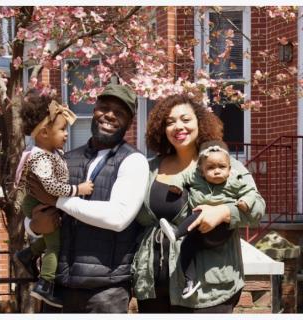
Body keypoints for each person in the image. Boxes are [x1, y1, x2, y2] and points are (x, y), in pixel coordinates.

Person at [132, 94, 265, 313]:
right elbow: (139, 221)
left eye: (185, 119)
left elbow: (257, 209)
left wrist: (224, 211)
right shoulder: (149, 168)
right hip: (154, 288)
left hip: (208, 290)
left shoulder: (220, 164)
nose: (178, 126)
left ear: (200, 122)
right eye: (169, 122)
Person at [23, 84, 149, 313]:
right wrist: (33, 227)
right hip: (58, 291)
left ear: (129, 123)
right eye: (104, 108)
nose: (109, 115)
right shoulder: (65, 158)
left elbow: (117, 218)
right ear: (94, 111)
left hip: (105, 292)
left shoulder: (133, 161)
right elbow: (35, 202)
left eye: (119, 113)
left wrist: (58, 201)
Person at [13, 90, 94, 308]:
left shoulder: (51, 154)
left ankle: (27, 254)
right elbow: (51, 186)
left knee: (51, 239)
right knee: (54, 245)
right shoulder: (40, 157)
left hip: (43, 201)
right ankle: (45, 284)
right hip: (38, 202)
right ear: (44, 133)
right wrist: (79, 189)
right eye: (62, 129)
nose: (66, 134)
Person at [159, 139, 257, 299]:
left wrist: (244, 202)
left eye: (221, 167)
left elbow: (251, 192)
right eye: (210, 168)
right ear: (202, 171)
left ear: (230, 169)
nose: (217, 171)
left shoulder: (235, 179)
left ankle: (176, 233)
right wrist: (176, 185)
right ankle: (190, 282)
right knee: (186, 248)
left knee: (200, 212)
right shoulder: (196, 177)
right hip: (200, 232)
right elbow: (182, 176)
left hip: (222, 230)